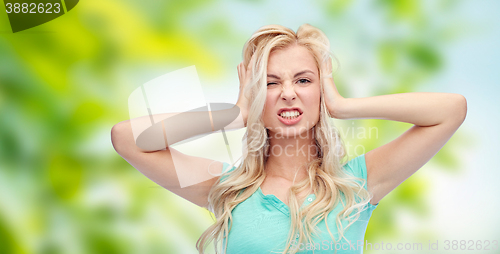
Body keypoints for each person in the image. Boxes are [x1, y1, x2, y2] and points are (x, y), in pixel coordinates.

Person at [111, 23, 467, 254]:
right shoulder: (229, 189)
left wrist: (341, 105)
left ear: (321, 91)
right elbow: (126, 137)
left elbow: (451, 110)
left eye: (303, 80)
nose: (287, 94)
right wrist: (235, 114)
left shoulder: (357, 183)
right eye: (270, 82)